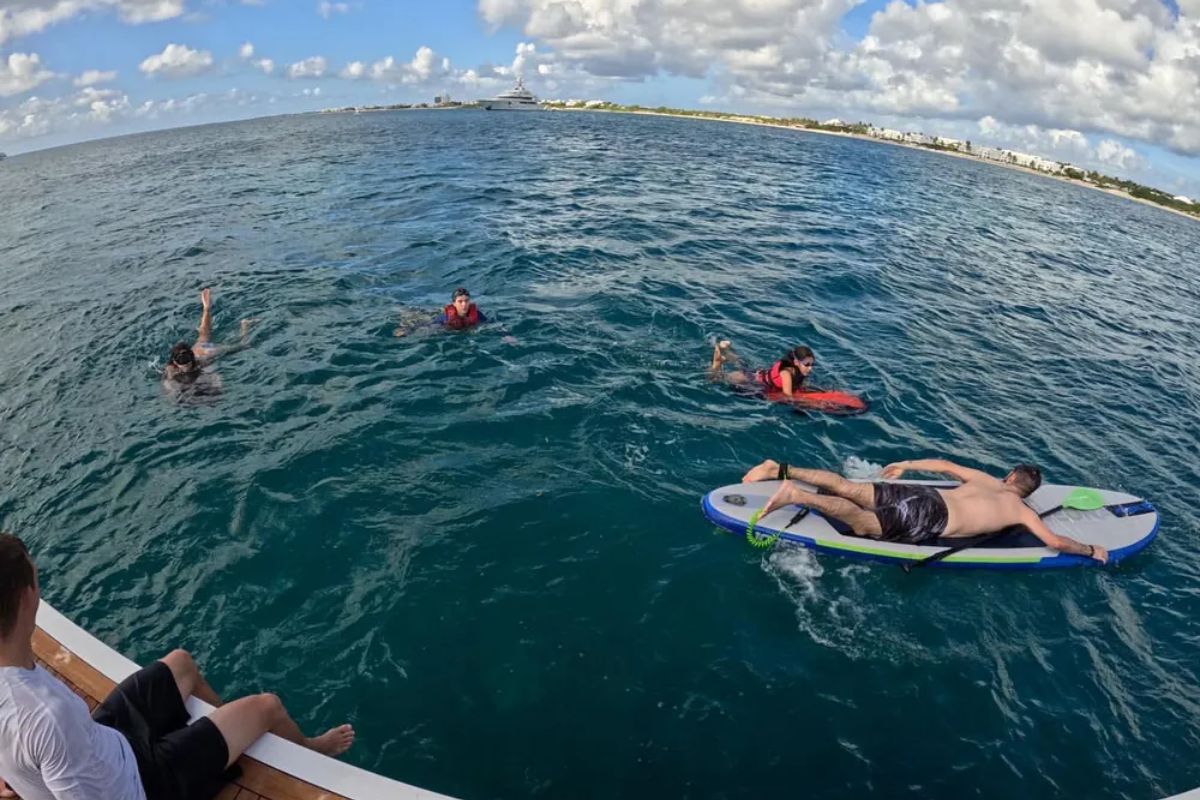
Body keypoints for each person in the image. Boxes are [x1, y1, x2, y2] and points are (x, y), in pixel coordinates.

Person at [0, 533, 355, 800]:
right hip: (142, 783)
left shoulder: (29, 696)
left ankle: (224, 736)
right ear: (28, 596)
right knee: (267, 706)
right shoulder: (46, 716)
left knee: (181, 664)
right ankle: (310, 748)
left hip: (104, 741)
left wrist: (16, 778)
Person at [740, 457, 1109, 562]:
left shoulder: (983, 478)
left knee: (849, 487)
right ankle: (799, 496)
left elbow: (944, 465)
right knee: (866, 524)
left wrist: (905, 464)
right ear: (1028, 491)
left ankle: (780, 469)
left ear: (1010, 475)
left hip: (928, 492)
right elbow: (1055, 543)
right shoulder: (1022, 512)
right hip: (933, 519)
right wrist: (1091, 550)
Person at [162, 288, 255, 395]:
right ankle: (206, 308)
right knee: (203, 336)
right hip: (198, 348)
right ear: (174, 362)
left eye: (187, 359)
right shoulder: (171, 369)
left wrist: (216, 388)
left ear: (191, 357)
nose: (185, 364)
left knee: (244, 345)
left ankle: (245, 324)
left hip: (206, 350)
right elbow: (168, 387)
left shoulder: (202, 361)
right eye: (181, 361)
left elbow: (215, 377)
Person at [709, 341, 814, 397]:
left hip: (758, 374)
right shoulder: (786, 373)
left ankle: (725, 350)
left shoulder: (800, 371)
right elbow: (787, 397)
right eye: (807, 364)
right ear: (796, 362)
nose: (810, 368)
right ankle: (717, 362)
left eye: (811, 364)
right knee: (716, 379)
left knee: (740, 363)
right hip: (752, 379)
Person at [395, 287, 489, 337]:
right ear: (454, 303)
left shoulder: (477, 314)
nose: (464, 304)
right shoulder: (445, 318)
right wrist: (408, 330)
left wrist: (504, 335)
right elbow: (426, 325)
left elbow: (493, 324)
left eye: (466, 301)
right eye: (460, 301)